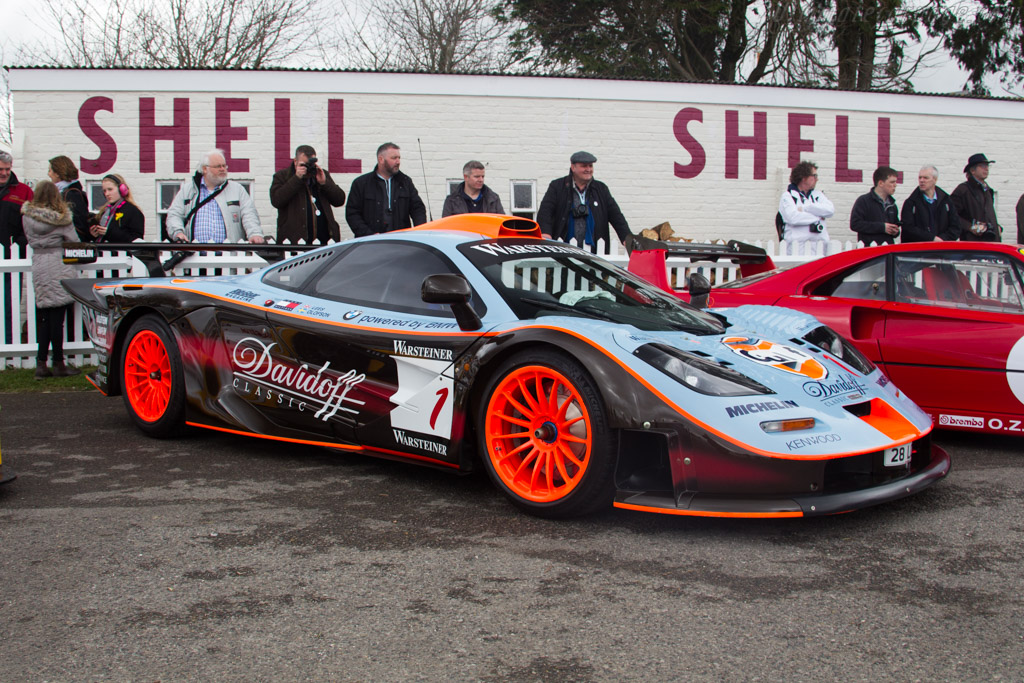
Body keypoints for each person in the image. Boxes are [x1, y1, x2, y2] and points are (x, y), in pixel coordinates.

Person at [20, 181, 81, 379]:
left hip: (39, 263)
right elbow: (74, 241)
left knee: (43, 317)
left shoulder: (28, 217)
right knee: (58, 318)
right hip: (58, 264)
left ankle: (40, 364)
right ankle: (59, 363)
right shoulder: (63, 218)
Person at [537, 151, 630, 252]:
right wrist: (545, 234)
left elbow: (616, 216)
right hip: (564, 250)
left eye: (590, 166)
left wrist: (627, 238)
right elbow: (545, 212)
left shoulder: (601, 189)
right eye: (584, 166)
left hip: (595, 251)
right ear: (573, 167)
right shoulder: (557, 187)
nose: (588, 169)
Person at [165, 149, 264, 243]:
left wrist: (254, 233)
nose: (222, 169)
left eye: (224, 166)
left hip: (229, 256)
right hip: (194, 256)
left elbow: (249, 214)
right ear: (204, 169)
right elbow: (174, 214)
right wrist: (178, 232)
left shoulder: (237, 190)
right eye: (218, 166)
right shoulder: (187, 190)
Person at [345, 143, 427, 236]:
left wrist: (419, 232)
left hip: (400, 243)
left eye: (399, 158)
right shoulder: (361, 183)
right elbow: (352, 213)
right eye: (394, 158)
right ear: (381, 159)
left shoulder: (405, 182)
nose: (398, 161)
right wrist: (368, 234)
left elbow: (418, 208)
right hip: (370, 244)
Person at [269, 144, 346, 243]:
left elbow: (339, 200)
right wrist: (297, 178)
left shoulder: (321, 174)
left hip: (324, 240)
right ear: (295, 162)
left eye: (311, 164)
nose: (308, 167)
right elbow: (277, 200)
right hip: (294, 241)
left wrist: (324, 183)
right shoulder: (282, 176)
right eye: (303, 164)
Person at [0, 151, 32, 344]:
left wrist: (21, 242)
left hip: (13, 255)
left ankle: (10, 342)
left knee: (10, 301)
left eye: (7, 169)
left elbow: (31, 221)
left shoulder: (23, 192)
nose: (4, 173)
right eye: (0, 169)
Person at [778, 160, 835, 250]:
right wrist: (819, 217)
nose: (817, 179)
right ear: (803, 178)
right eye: (814, 176)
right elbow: (793, 218)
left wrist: (806, 208)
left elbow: (830, 210)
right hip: (797, 248)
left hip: (819, 247)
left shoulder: (818, 195)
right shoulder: (788, 196)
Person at [901, 165, 959, 243]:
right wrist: (931, 238)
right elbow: (908, 228)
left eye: (926, 178)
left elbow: (956, 227)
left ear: (935, 180)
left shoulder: (946, 201)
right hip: (918, 251)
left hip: (942, 250)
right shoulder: (911, 202)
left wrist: (942, 239)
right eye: (920, 177)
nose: (921, 180)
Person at [951, 153, 1002, 242]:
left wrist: (996, 227)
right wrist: (970, 227)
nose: (986, 168)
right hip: (974, 244)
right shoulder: (963, 190)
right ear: (972, 170)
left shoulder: (988, 190)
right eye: (982, 166)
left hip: (992, 242)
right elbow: (951, 215)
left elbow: (987, 214)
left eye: (987, 165)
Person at [850, 166, 901, 246]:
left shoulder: (892, 205)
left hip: (887, 250)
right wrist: (882, 227)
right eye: (892, 182)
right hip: (869, 250)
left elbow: (895, 225)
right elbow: (855, 224)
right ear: (880, 183)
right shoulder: (864, 201)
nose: (895, 185)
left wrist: (895, 231)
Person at [87, 174, 145, 243]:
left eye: (110, 189)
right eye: (104, 191)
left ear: (121, 189)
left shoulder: (133, 211)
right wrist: (94, 235)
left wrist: (109, 232)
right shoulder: (104, 211)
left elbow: (137, 241)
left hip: (122, 252)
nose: (107, 194)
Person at [47, 155, 90, 240]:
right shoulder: (64, 191)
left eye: (50, 170)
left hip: (72, 244)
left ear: (57, 174)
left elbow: (79, 223)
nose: (48, 174)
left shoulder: (72, 194)